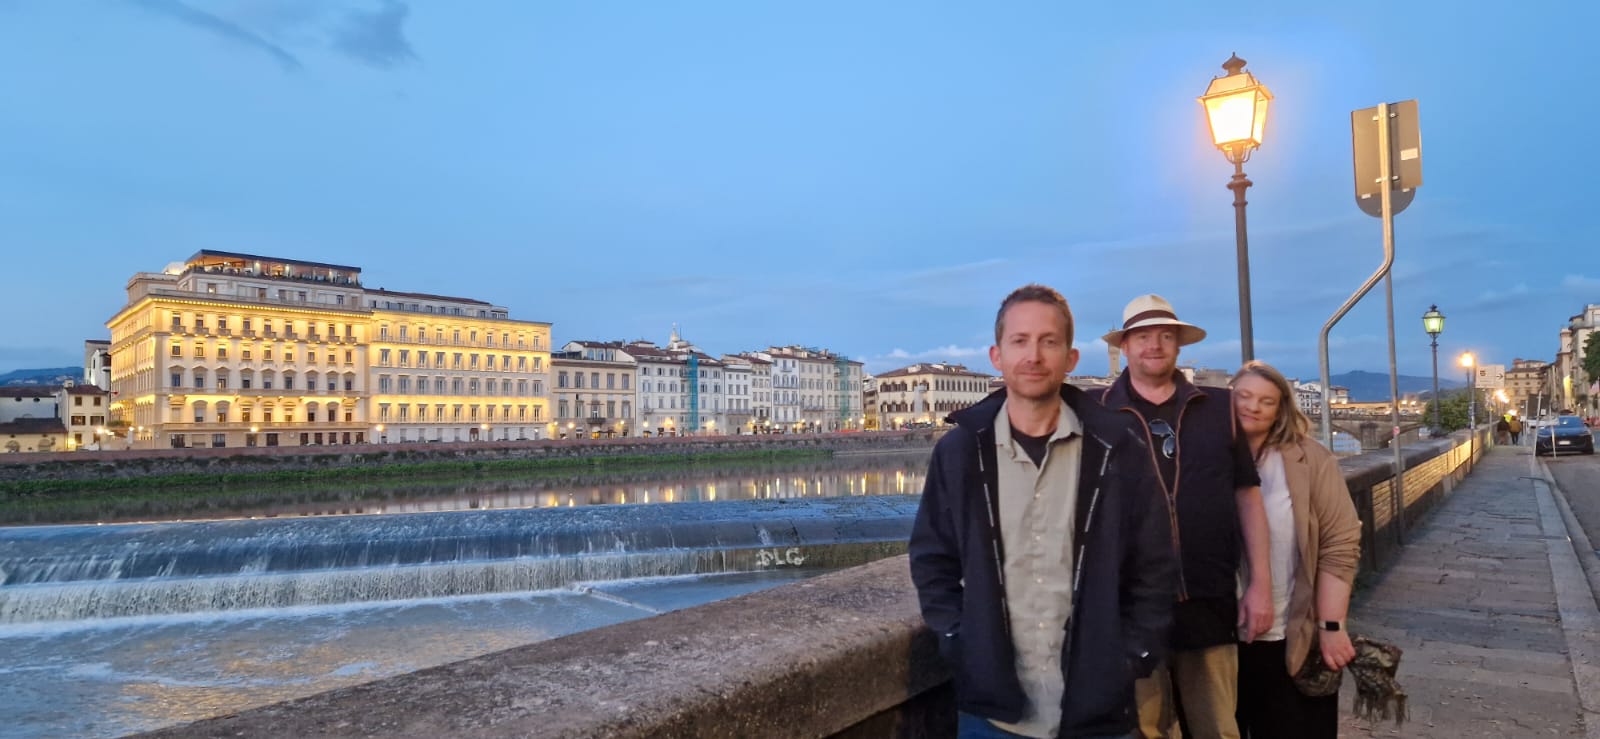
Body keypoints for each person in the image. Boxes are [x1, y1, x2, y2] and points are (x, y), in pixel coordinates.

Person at [910, 284, 1176, 738]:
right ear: (997, 355)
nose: (1033, 355)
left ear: (1070, 358)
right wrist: (959, 640)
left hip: (1097, 709)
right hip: (990, 710)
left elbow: (1154, 566)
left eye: (1048, 341)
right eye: (1020, 341)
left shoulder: (1119, 450)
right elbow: (932, 558)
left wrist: (1132, 656)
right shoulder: (959, 453)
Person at [1094, 295, 1271, 739]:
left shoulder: (1220, 407)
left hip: (1209, 598)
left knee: (1218, 727)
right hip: (1130, 607)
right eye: (1143, 336)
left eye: (1165, 336)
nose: (1154, 344)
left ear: (1178, 345)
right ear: (1126, 346)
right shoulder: (1097, 415)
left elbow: (1248, 499)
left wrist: (1260, 586)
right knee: (1144, 729)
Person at [1229, 360, 1361, 739]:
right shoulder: (1201, 457)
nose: (1253, 407)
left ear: (1281, 409)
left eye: (1266, 401)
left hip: (1291, 634)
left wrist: (1332, 625)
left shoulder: (1310, 458)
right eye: (1244, 396)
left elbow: (1341, 540)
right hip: (1219, 638)